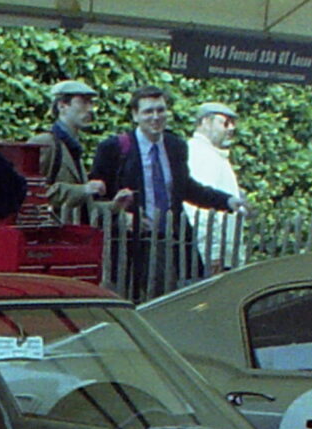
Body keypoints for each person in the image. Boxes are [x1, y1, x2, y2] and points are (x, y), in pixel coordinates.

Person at [90, 88, 242, 297]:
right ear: (135, 115)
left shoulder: (175, 146)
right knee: (135, 301)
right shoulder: (114, 148)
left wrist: (227, 201)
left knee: (177, 300)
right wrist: (119, 216)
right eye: (148, 111)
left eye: (160, 110)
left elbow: (186, 188)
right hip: (131, 245)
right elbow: (95, 199)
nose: (155, 117)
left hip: (171, 241)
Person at [28, 79, 105, 225]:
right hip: (46, 232)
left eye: (91, 103)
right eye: (83, 102)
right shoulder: (45, 142)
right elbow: (32, 193)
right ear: (62, 106)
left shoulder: (72, 146)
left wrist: (115, 206)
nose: (90, 109)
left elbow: (83, 208)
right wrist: (84, 189)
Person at [183, 101, 244, 269]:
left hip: (224, 256)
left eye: (233, 123)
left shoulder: (213, 155)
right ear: (205, 122)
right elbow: (201, 210)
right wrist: (213, 253)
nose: (231, 128)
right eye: (225, 122)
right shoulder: (200, 154)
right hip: (212, 258)